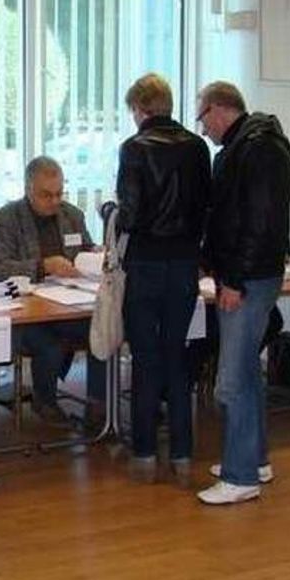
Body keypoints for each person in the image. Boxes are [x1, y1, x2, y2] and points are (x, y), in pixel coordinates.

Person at [194, 81, 290, 505]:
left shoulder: (258, 149)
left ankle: (240, 477)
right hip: (245, 274)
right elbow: (229, 216)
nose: (203, 129)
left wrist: (233, 279)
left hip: (248, 279)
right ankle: (254, 460)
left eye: (203, 118)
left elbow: (258, 223)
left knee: (230, 382)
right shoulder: (246, 146)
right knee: (248, 373)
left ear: (219, 109)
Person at [115, 74, 211, 485]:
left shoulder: (134, 148)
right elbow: (207, 207)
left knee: (145, 358)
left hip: (145, 264)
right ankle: (183, 455)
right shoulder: (198, 147)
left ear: (139, 108)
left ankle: (144, 454)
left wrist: (110, 212)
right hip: (185, 264)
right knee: (176, 355)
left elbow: (131, 214)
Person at [0, 156, 105, 428]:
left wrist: (94, 254)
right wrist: (42, 266)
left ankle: (98, 404)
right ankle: (45, 401)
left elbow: (84, 249)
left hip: (70, 303)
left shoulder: (72, 215)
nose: (54, 201)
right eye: (46, 195)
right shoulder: (5, 219)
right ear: (28, 189)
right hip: (28, 311)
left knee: (102, 331)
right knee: (48, 344)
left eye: (59, 193)